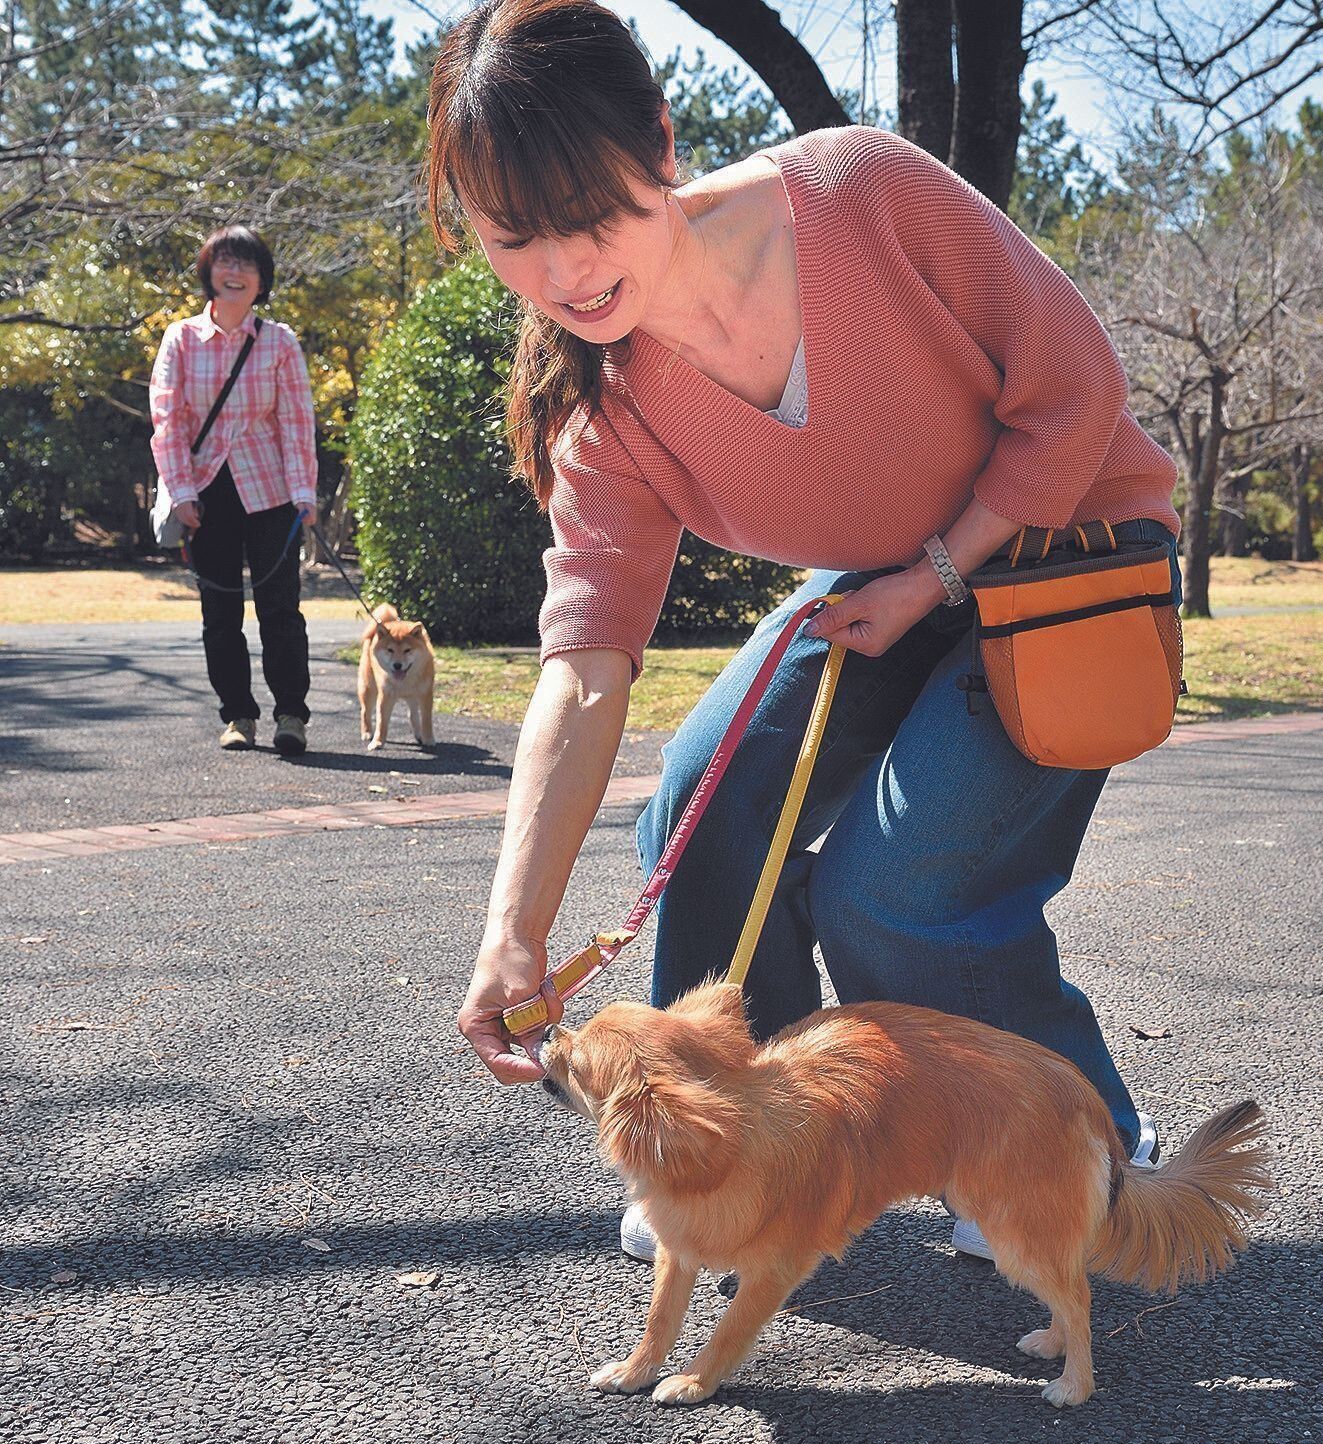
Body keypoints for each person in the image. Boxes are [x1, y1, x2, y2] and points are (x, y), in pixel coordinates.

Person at [438, 0, 1181, 1262]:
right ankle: (757, 1152)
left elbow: (1076, 389)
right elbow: (586, 667)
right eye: (516, 240)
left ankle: (1088, 1156)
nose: (565, 275)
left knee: (893, 892)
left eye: (594, 216)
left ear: (660, 141)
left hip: (1074, 544)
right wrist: (513, 930)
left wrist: (936, 574)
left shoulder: (859, 192)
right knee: (697, 810)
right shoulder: (602, 411)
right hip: (892, 569)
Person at [148, 225, 319, 756]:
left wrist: (304, 494)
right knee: (219, 614)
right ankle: (238, 715)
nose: (235, 272)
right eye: (225, 261)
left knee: (280, 609)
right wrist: (181, 492)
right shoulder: (180, 338)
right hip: (204, 494)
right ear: (209, 273)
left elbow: (296, 422)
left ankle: (291, 715)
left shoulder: (279, 341)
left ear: (262, 280)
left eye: (247, 264)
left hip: (271, 492)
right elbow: (167, 422)